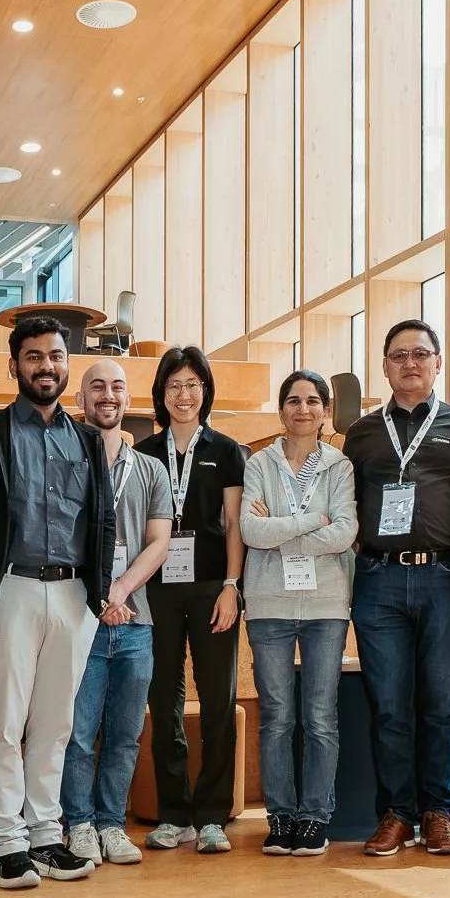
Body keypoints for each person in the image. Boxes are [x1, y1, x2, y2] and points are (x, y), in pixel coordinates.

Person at [0, 315, 116, 889]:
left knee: (56, 724)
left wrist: (96, 597)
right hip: (10, 591)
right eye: (35, 356)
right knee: (7, 720)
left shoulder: (89, 440)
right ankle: (6, 843)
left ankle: (46, 835)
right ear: (14, 365)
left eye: (56, 357)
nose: (47, 366)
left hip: (72, 595)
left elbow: (104, 521)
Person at [345, 319, 450, 856]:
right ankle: (397, 812)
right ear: (384, 366)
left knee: (440, 703)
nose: (410, 363)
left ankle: (436, 812)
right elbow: (345, 504)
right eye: (399, 354)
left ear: (438, 364)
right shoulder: (361, 432)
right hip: (379, 580)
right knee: (388, 705)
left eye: (421, 354)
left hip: (445, 577)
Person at [61, 360, 174, 866]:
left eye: (117, 387)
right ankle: (78, 825)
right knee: (78, 735)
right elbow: (57, 537)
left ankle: (111, 824)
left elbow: (159, 542)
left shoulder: (151, 468)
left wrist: (121, 591)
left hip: (135, 622)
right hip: (78, 619)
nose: (108, 395)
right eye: (97, 387)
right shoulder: (64, 459)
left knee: (125, 736)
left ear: (129, 400)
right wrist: (99, 596)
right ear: (80, 399)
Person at [241, 370, 358, 857]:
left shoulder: (340, 465)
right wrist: (314, 520)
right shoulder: (258, 461)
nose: (303, 409)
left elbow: (346, 531)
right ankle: (281, 815)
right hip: (268, 602)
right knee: (276, 718)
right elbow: (251, 530)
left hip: (326, 605)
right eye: (293, 401)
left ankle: (314, 816)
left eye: (313, 401)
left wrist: (282, 527)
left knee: (320, 716)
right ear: (281, 410)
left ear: (325, 410)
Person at [137, 347, 249, 854]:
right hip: (157, 591)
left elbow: (232, 527)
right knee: (164, 701)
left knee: (220, 702)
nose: (184, 395)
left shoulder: (226, 450)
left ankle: (212, 816)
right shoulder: (145, 451)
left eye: (193, 384)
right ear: (161, 394)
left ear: (206, 391)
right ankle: (174, 811)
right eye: (174, 385)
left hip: (211, 590)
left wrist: (232, 586)